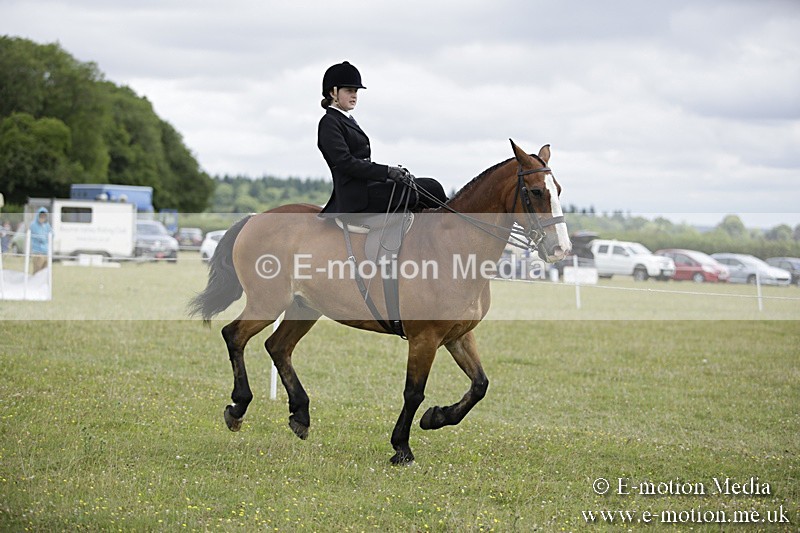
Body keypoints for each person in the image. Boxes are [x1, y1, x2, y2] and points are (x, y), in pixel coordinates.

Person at [317, 61, 447, 219]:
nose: (354, 96)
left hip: (369, 186)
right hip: (356, 196)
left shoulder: (347, 119)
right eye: (349, 91)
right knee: (432, 188)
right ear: (333, 93)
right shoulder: (329, 122)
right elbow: (346, 163)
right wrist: (387, 171)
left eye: (356, 91)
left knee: (431, 185)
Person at [29, 207, 52, 274]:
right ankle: (34, 284)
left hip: (46, 252)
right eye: (41, 216)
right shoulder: (33, 225)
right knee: (37, 272)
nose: (42, 217)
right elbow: (40, 238)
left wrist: (47, 237)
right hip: (37, 253)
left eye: (44, 216)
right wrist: (46, 237)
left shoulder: (46, 225)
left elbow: (52, 234)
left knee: (44, 272)